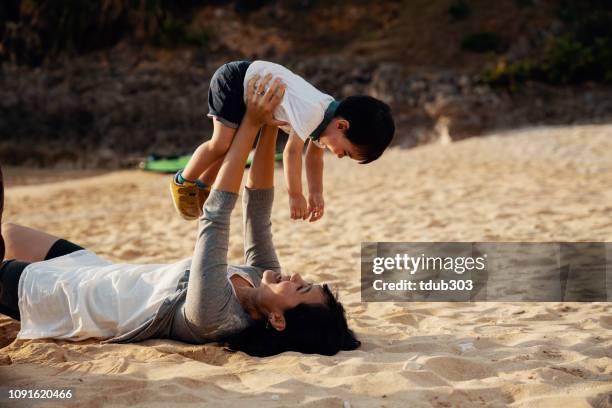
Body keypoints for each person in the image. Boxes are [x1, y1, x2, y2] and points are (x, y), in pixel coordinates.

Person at [0, 76, 360, 357]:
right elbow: (258, 211)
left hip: (65, 297)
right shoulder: (257, 280)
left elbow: (215, 218)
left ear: (277, 320)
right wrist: (268, 126)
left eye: (299, 287)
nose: (295, 274)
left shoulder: (216, 317)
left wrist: (249, 125)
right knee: (8, 233)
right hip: (99, 271)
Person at [170, 60, 395, 223]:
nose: (337, 155)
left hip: (253, 84)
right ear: (342, 126)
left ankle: (201, 186)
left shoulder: (326, 120)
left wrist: (316, 192)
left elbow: (314, 158)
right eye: (345, 152)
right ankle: (183, 181)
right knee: (221, 143)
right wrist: (295, 195)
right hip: (236, 81)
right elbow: (292, 153)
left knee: (231, 146)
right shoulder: (313, 114)